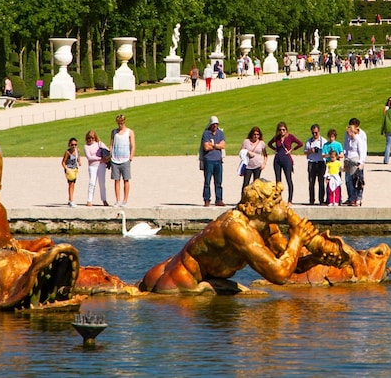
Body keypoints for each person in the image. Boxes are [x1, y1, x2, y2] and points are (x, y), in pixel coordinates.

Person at [138, 178, 351, 294]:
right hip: (178, 285)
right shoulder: (237, 228)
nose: (285, 207)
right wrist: (296, 240)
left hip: (191, 280)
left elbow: (288, 264)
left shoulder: (266, 226)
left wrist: (315, 258)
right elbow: (279, 276)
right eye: (278, 202)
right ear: (262, 207)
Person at [268, 122, 303, 203]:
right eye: (280, 130)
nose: (282, 131)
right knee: (278, 181)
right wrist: (275, 149)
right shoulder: (277, 138)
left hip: (286, 159)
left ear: (286, 130)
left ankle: (290, 200)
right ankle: (279, 200)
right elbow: (269, 144)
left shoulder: (290, 137)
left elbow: (300, 143)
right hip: (277, 160)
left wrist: (292, 150)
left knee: (289, 179)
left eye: (283, 130)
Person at [199, 116, 226, 207]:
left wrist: (213, 145)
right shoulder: (206, 133)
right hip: (209, 160)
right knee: (207, 181)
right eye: (213, 124)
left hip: (218, 160)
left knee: (218, 181)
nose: (215, 125)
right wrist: (217, 146)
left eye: (216, 124)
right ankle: (207, 199)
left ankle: (219, 199)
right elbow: (206, 147)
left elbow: (223, 145)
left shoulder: (220, 133)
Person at [110, 114, 135, 207]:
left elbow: (133, 145)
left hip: (125, 159)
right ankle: (117, 200)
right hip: (115, 159)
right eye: (118, 123)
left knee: (126, 180)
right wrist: (110, 154)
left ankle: (125, 200)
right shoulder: (114, 132)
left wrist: (131, 156)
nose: (120, 125)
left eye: (121, 123)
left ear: (124, 122)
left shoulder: (129, 132)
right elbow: (111, 144)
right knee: (116, 180)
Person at [343, 118, 367, 206]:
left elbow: (363, 149)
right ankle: (351, 197)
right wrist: (345, 157)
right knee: (348, 180)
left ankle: (358, 198)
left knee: (357, 180)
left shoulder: (361, 136)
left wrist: (362, 161)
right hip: (349, 160)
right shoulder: (348, 136)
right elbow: (345, 146)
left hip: (357, 161)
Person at [83, 130, 110, 207]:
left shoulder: (99, 144)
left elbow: (108, 151)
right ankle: (89, 200)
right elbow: (89, 157)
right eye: (88, 138)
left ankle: (104, 199)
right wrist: (100, 159)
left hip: (101, 166)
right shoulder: (86, 146)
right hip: (92, 166)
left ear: (95, 138)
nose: (90, 139)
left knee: (102, 183)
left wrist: (106, 158)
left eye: (92, 138)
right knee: (92, 183)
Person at [304, 124, 327, 205]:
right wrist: (311, 151)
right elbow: (305, 152)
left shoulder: (323, 141)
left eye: (316, 133)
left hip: (321, 162)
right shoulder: (309, 141)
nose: (314, 135)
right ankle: (311, 200)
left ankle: (321, 199)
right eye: (313, 133)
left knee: (321, 182)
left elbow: (327, 152)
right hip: (312, 162)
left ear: (319, 132)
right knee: (311, 182)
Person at [61, 137, 82, 207]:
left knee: (73, 184)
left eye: (75, 144)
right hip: (69, 169)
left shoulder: (77, 151)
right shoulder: (67, 152)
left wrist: (79, 162)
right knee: (71, 185)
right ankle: (71, 200)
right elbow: (63, 162)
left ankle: (70, 199)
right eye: (72, 145)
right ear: (69, 145)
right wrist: (66, 169)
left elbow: (78, 158)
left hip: (75, 169)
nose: (74, 146)